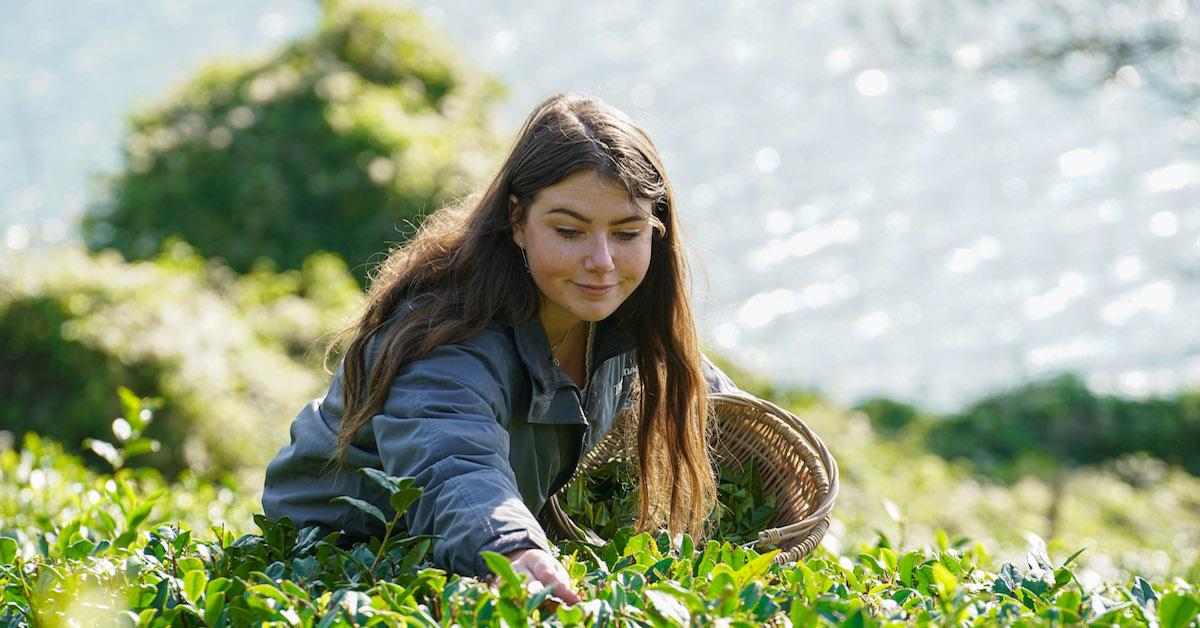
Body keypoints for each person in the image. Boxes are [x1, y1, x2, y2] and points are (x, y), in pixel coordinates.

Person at [262, 92, 739, 603]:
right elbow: (449, 459)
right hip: (339, 560)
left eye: (627, 233)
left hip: (451, 554)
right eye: (569, 231)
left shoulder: (619, 323)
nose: (601, 261)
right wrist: (512, 549)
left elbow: (724, 405)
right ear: (517, 221)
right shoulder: (447, 337)